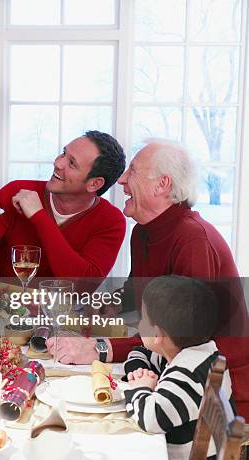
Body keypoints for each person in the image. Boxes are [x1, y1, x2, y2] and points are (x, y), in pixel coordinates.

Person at [48, 138, 249, 417]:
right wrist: (94, 306)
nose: (121, 181)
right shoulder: (143, 231)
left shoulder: (193, 239)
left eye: (132, 171)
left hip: (218, 398)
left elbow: (180, 336)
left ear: (162, 184)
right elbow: (134, 293)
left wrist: (99, 348)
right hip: (170, 374)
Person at [0, 130, 127, 308]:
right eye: (63, 153)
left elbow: (81, 287)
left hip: (58, 323)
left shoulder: (111, 222)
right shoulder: (16, 192)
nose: (58, 163)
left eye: (72, 163)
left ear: (95, 183)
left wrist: (39, 217)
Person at [124, 275, 235, 460]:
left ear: (158, 334)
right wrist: (140, 372)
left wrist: (140, 387)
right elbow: (139, 354)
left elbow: (150, 419)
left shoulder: (186, 375)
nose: (138, 324)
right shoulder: (197, 356)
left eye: (143, 319)